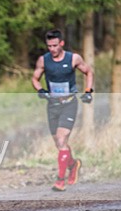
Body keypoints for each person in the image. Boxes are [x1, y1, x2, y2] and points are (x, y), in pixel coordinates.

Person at [31, 29, 94, 192]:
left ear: (61, 44)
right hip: (52, 105)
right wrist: (40, 90)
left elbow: (88, 72)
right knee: (59, 144)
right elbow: (35, 78)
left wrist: (88, 91)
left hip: (69, 104)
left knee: (61, 139)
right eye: (49, 46)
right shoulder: (43, 60)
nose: (52, 49)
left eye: (54, 45)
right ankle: (73, 165)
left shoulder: (73, 58)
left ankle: (60, 180)